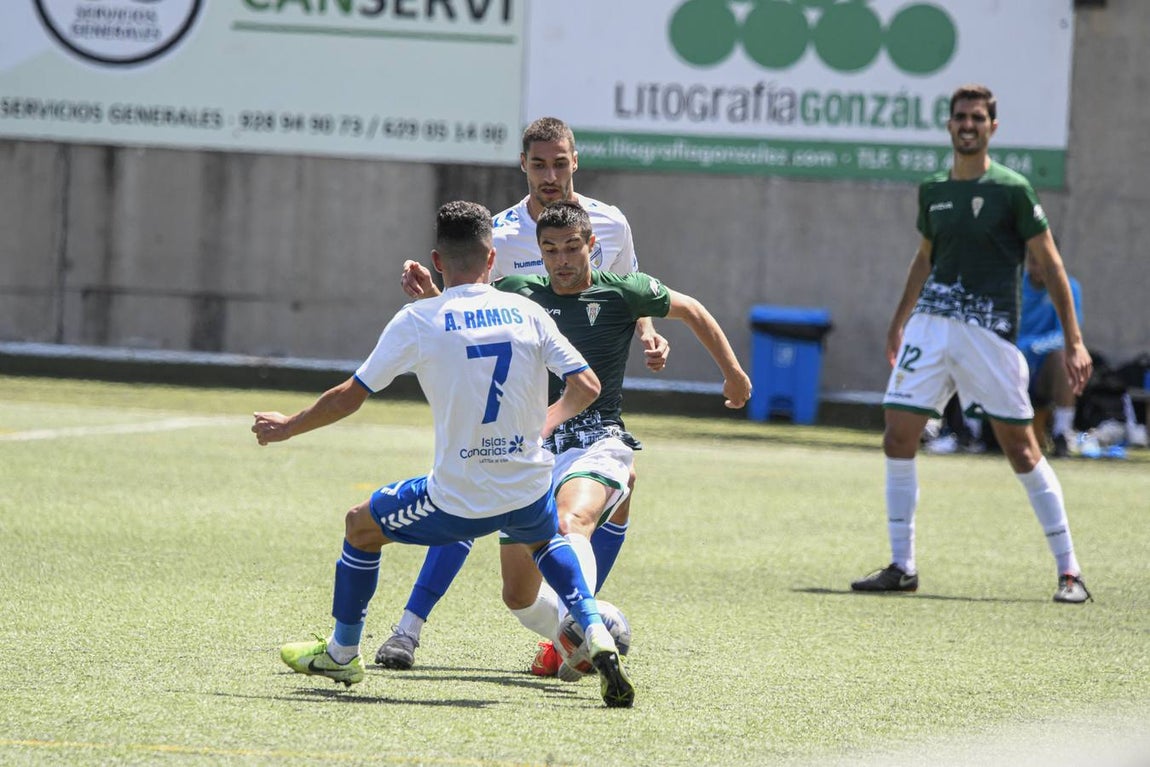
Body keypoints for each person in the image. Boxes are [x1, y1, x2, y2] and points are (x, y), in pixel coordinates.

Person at [251, 200, 636, 707]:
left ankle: (342, 653)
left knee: (359, 526)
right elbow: (586, 384)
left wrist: (289, 427)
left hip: (459, 494)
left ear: (438, 260)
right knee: (545, 540)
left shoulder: (418, 319)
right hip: (525, 486)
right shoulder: (528, 312)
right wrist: (541, 427)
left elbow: (352, 393)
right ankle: (593, 629)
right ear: (492, 259)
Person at [378, 200, 752, 677]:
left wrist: (734, 375)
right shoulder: (519, 292)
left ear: (592, 247)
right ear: (539, 253)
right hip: (531, 444)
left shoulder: (624, 291)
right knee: (517, 594)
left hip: (597, 438)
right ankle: (571, 635)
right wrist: (431, 292)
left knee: (570, 521)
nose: (562, 259)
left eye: (573, 247)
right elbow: (468, 314)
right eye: (551, 250)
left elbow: (692, 309)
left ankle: (588, 626)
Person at [377, 117, 670, 671]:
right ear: (523, 166)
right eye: (540, 164)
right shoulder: (503, 231)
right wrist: (437, 297)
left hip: (586, 400)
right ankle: (412, 630)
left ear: (575, 161)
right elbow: (477, 306)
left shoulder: (608, 223)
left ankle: (573, 627)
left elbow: (626, 292)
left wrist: (650, 337)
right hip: (517, 395)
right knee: (465, 493)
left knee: (576, 508)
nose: (551, 174)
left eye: (560, 163)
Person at [850, 84, 1094, 604]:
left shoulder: (1012, 189)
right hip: (930, 327)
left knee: (1022, 449)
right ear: (950, 125)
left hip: (989, 335)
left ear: (992, 127)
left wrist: (1074, 341)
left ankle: (1070, 571)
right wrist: (900, 320)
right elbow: (925, 258)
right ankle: (902, 565)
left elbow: (1050, 266)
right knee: (898, 433)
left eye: (978, 118)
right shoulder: (933, 189)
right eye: (960, 116)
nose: (968, 124)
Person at [1019, 245, 1084, 458]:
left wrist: (1030, 346)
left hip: (1042, 372)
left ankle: (1062, 433)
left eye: (1043, 261)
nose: (1037, 267)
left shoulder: (1068, 287)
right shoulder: (1013, 286)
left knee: (1065, 356)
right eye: (1033, 261)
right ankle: (970, 433)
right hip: (1010, 364)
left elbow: (1067, 335)